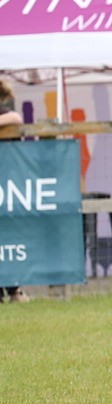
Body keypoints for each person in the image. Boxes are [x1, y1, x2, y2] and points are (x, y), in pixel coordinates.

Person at [0, 79, 29, 303]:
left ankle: (13, 289)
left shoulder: (7, 115)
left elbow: (16, 118)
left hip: (7, 183)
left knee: (8, 234)